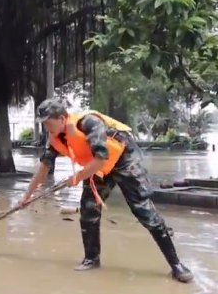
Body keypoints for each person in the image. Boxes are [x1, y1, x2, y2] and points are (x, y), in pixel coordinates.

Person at [21, 98, 193, 283]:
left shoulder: (89, 123)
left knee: (144, 211)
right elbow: (43, 168)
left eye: (48, 123)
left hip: (123, 160)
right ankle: (91, 259)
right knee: (88, 209)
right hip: (97, 167)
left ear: (62, 119)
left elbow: (102, 157)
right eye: (44, 124)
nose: (47, 128)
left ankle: (176, 265)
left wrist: (77, 177)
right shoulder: (55, 138)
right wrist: (27, 197)